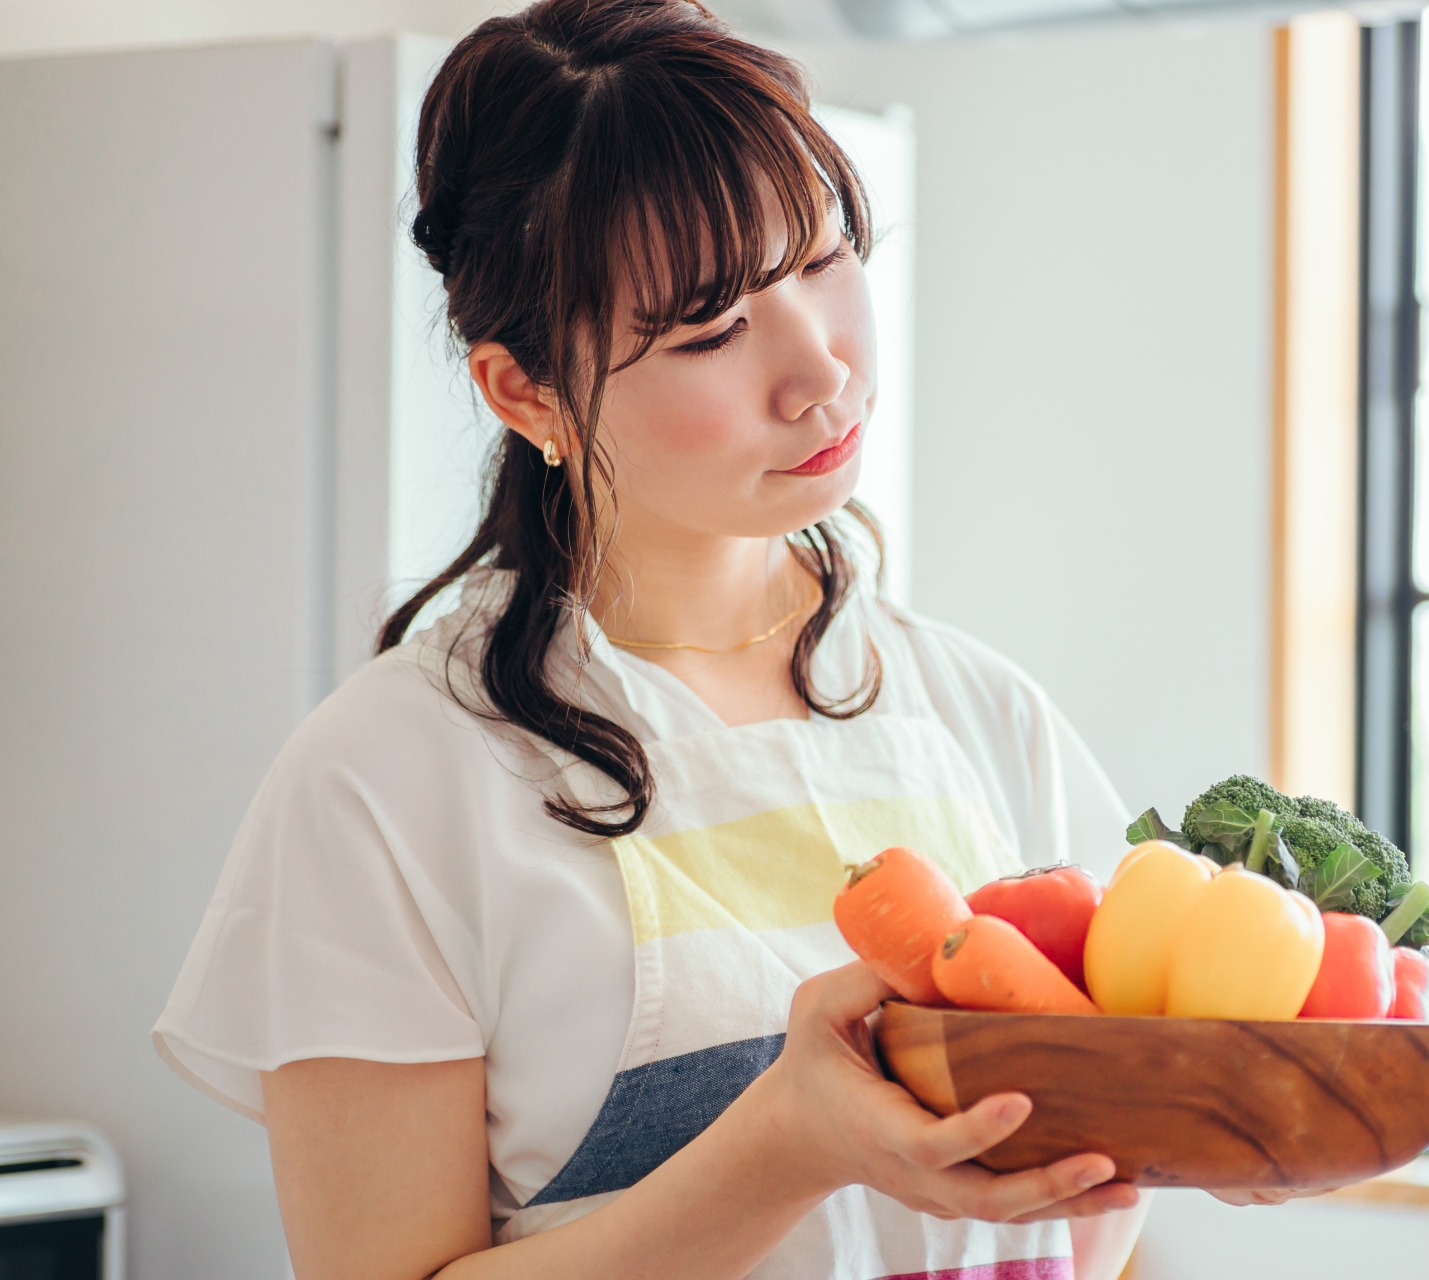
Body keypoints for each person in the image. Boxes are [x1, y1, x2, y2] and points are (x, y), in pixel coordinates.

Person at [154, 2, 1296, 1275]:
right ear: (524, 391)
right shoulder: (387, 779)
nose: (821, 372)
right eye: (709, 330)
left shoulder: (977, 711)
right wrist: (786, 1143)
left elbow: (1112, 1228)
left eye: (822, 262)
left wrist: (1203, 1126)